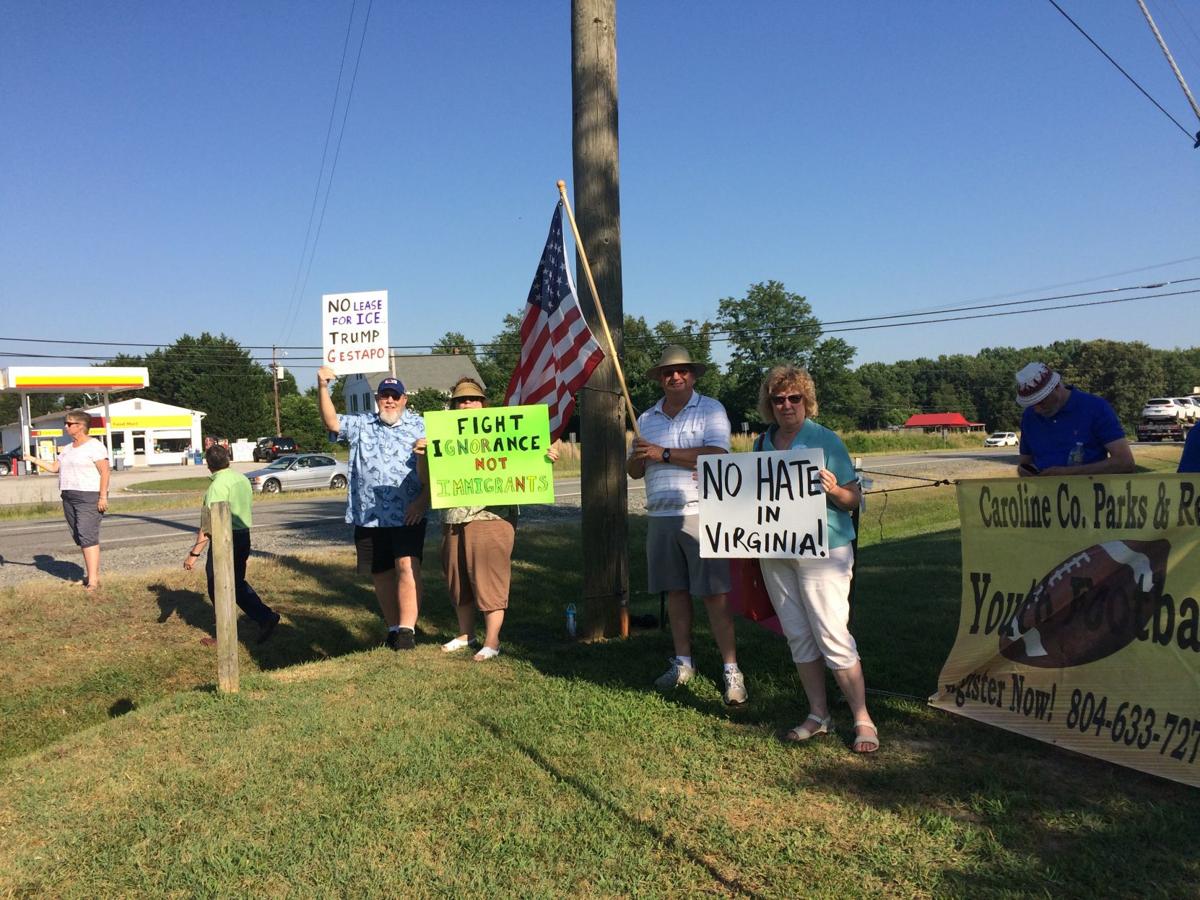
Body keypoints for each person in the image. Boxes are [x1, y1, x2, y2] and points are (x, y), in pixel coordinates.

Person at [753, 365, 878, 753]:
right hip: (777, 551)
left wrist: (834, 489)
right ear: (769, 404)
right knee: (797, 633)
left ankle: (862, 717)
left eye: (795, 398)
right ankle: (817, 713)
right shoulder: (761, 444)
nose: (787, 405)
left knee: (832, 633)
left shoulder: (826, 441)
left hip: (825, 549)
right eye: (779, 399)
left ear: (806, 401)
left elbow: (852, 499)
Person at [627, 345, 747, 706]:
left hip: (702, 512)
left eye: (681, 371)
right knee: (675, 592)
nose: (674, 377)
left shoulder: (710, 408)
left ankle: (731, 669)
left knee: (714, 594)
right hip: (660, 514)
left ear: (692, 375)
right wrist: (638, 456)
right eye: (667, 372)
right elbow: (634, 470)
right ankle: (683, 663)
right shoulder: (645, 418)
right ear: (660, 378)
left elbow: (718, 455)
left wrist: (662, 453)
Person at [438, 377, 559, 661]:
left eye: (473, 399)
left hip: (491, 515)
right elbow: (427, 478)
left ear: (484, 403)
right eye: (461, 400)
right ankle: (467, 633)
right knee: (457, 579)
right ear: (453, 406)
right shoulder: (442, 436)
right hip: (453, 516)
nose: (467, 404)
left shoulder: (505, 431)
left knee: (489, 576)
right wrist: (422, 454)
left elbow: (527, 467)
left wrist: (546, 457)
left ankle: (493, 639)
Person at [318, 366, 429, 650]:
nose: (389, 401)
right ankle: (393, 627)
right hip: (369, 515)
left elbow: (449, 463)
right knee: (380, 571)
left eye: (395, 396)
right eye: (384, 396)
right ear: (377, 398)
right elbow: (332, 423)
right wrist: (323, 387)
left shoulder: (422, 426)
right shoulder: (362, 423)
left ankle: (407, 629)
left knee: (407, 565)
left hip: (408, 511)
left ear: (405, 399)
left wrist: (423, 500)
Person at [183, 444, 280, 644]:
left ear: (208, 465)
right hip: (244, 536)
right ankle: (265, 617)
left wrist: (194, 554)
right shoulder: (241, 479)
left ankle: (227, 634)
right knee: (235, 583)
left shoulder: (217, 486)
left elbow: (209, 524)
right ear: (228, 459)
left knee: (217, 586)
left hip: (226, 540)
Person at [25, 409, 110, 592]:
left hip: (89, 496)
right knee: (79, 536)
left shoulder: (95, 446)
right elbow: (55, 468)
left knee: (88, 536)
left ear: (80, 426)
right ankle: (90, 575)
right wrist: (31, 458)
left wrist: (103, 496)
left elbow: (105, 471)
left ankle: (93, 581)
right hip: (68, 495)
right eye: (66, 423)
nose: (65, 426)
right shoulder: (68, 448)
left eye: (69, 423)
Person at [1014, 362, 1135, 477]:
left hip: (1091, 496)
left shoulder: (1095, 407)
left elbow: (1124, 462)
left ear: (1056, 387)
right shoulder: (1029, 416)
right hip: (1044, 497)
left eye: (1041, 401)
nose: (1037, 409)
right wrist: (1023, 470)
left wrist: (1068, 474)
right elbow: (1025, 462)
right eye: (1031, 403)